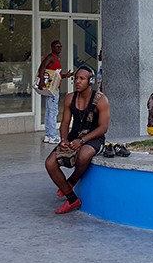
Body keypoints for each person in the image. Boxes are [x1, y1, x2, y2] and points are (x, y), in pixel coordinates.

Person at [45, 66, 110, 214]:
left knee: (84, 155)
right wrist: (64, 139)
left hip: (94, 137)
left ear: (90, 81)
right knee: (50, 163)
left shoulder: (101, 100)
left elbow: (103, 128)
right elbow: (65, 123)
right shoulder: (70, 98)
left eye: (82, 79)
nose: (78, 82)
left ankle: (71, 181)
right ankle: (72, 199)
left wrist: (82, 141)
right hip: (74, 136)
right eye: (76, 79)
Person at [36, 40, 72, 144]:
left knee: (50, 111)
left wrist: (65, 76)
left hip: (54, 87)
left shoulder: (56, 59)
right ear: (52, 47)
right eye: (57, 46)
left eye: (60, 46)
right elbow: (42, 67)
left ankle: (48, 135)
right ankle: (52, 136)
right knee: (52, 112)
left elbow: (55, 75)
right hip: (52, 89)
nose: (59, 48)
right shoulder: (50, 57)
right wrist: (42, 80)